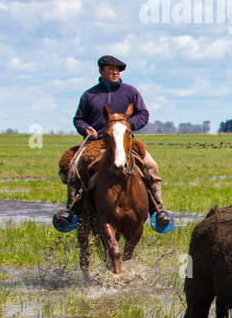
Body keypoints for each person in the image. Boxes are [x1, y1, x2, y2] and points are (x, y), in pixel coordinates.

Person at [53, 55, 174, 233]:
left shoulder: (131, 91)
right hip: (97, 142)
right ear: (101, 71)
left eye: (118, 70)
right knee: (73, 168)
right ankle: (71, 211)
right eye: (111, 69)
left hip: (124, 141)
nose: (115, 72)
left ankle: (158, 210)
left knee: (151, 166)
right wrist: (86, 129)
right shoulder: (89, 95)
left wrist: (127, 125)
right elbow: (78, 119)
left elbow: (143, 114)